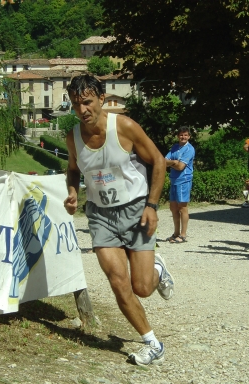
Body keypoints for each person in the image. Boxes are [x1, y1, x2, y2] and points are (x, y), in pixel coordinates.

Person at [63, 74, 174, 366]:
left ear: (101, 98)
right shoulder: (73, 136)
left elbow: (159, 161)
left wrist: (152, 205)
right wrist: (73, 191)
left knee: (142, 287)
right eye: (76, 104)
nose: (82, 109)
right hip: (100, 216)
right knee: (118, 282)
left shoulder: (123, 126)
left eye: (87, 102)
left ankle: (157, 270)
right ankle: (152, 343)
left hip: (136, 210)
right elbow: (73, 169)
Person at [165, 126, 195, 243]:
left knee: (182, 207)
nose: (183, 137)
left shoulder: (189, 149)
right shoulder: (175, 147)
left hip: (184, 181)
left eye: (186, 135)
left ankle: (183, 234)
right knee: (173, 207)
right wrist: (174, 162)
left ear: (189, 136)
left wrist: (171, 163)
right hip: (174, 180)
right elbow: (163, 160)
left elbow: (181, 166)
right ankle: (176, 233)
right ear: (178, 136)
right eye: (181, 135)